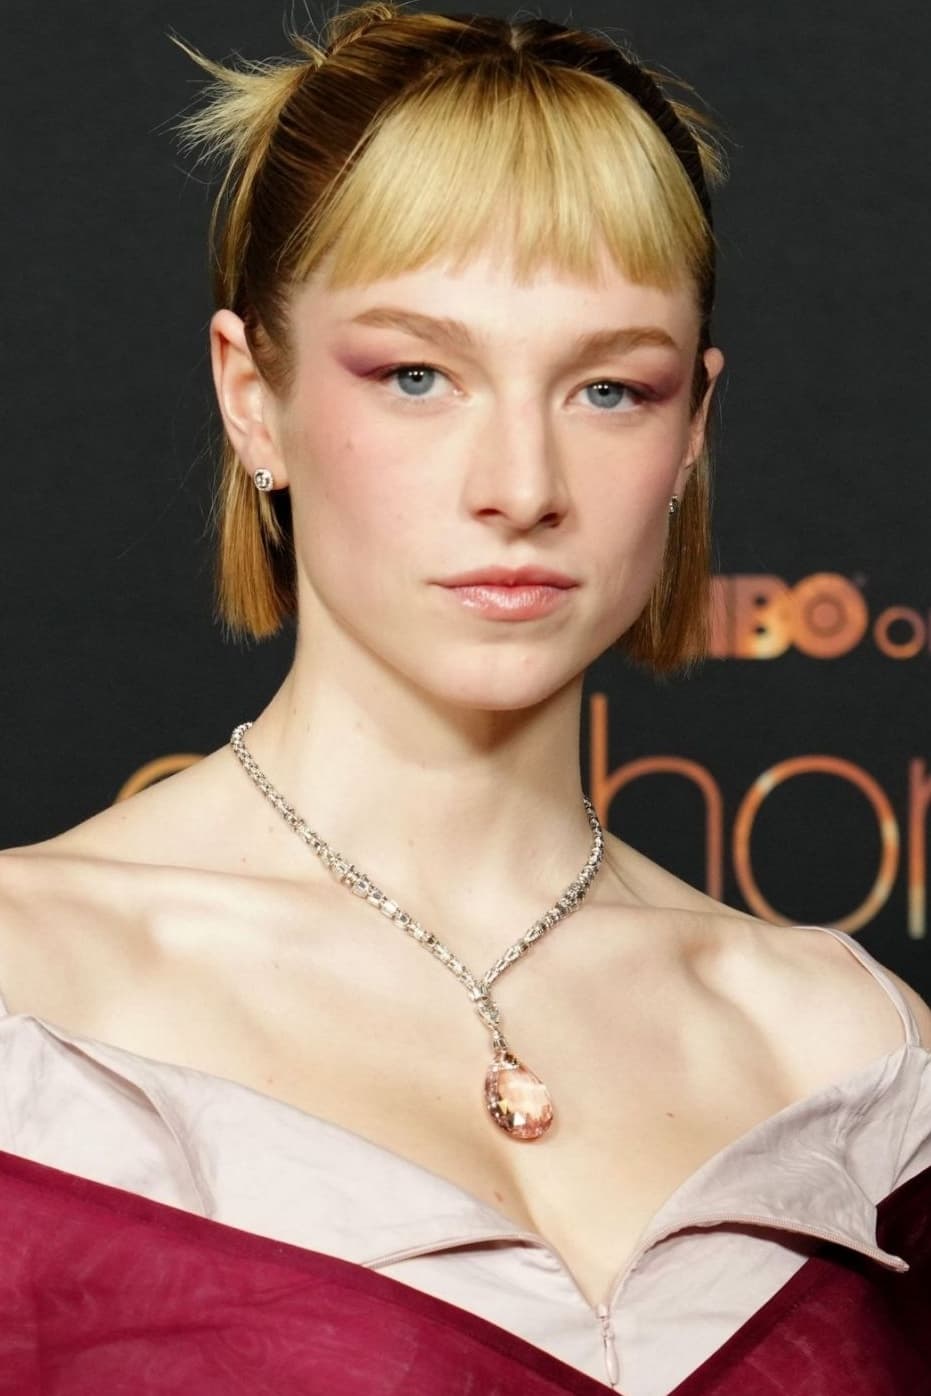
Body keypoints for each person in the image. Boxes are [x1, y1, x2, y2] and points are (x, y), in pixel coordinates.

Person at [0, 4, 929, 1393]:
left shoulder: (852, 1050)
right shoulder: (30, 996)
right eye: (419, 375)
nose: (522, 486)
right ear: (252, 394)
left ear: (692, 428)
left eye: (610, 389)